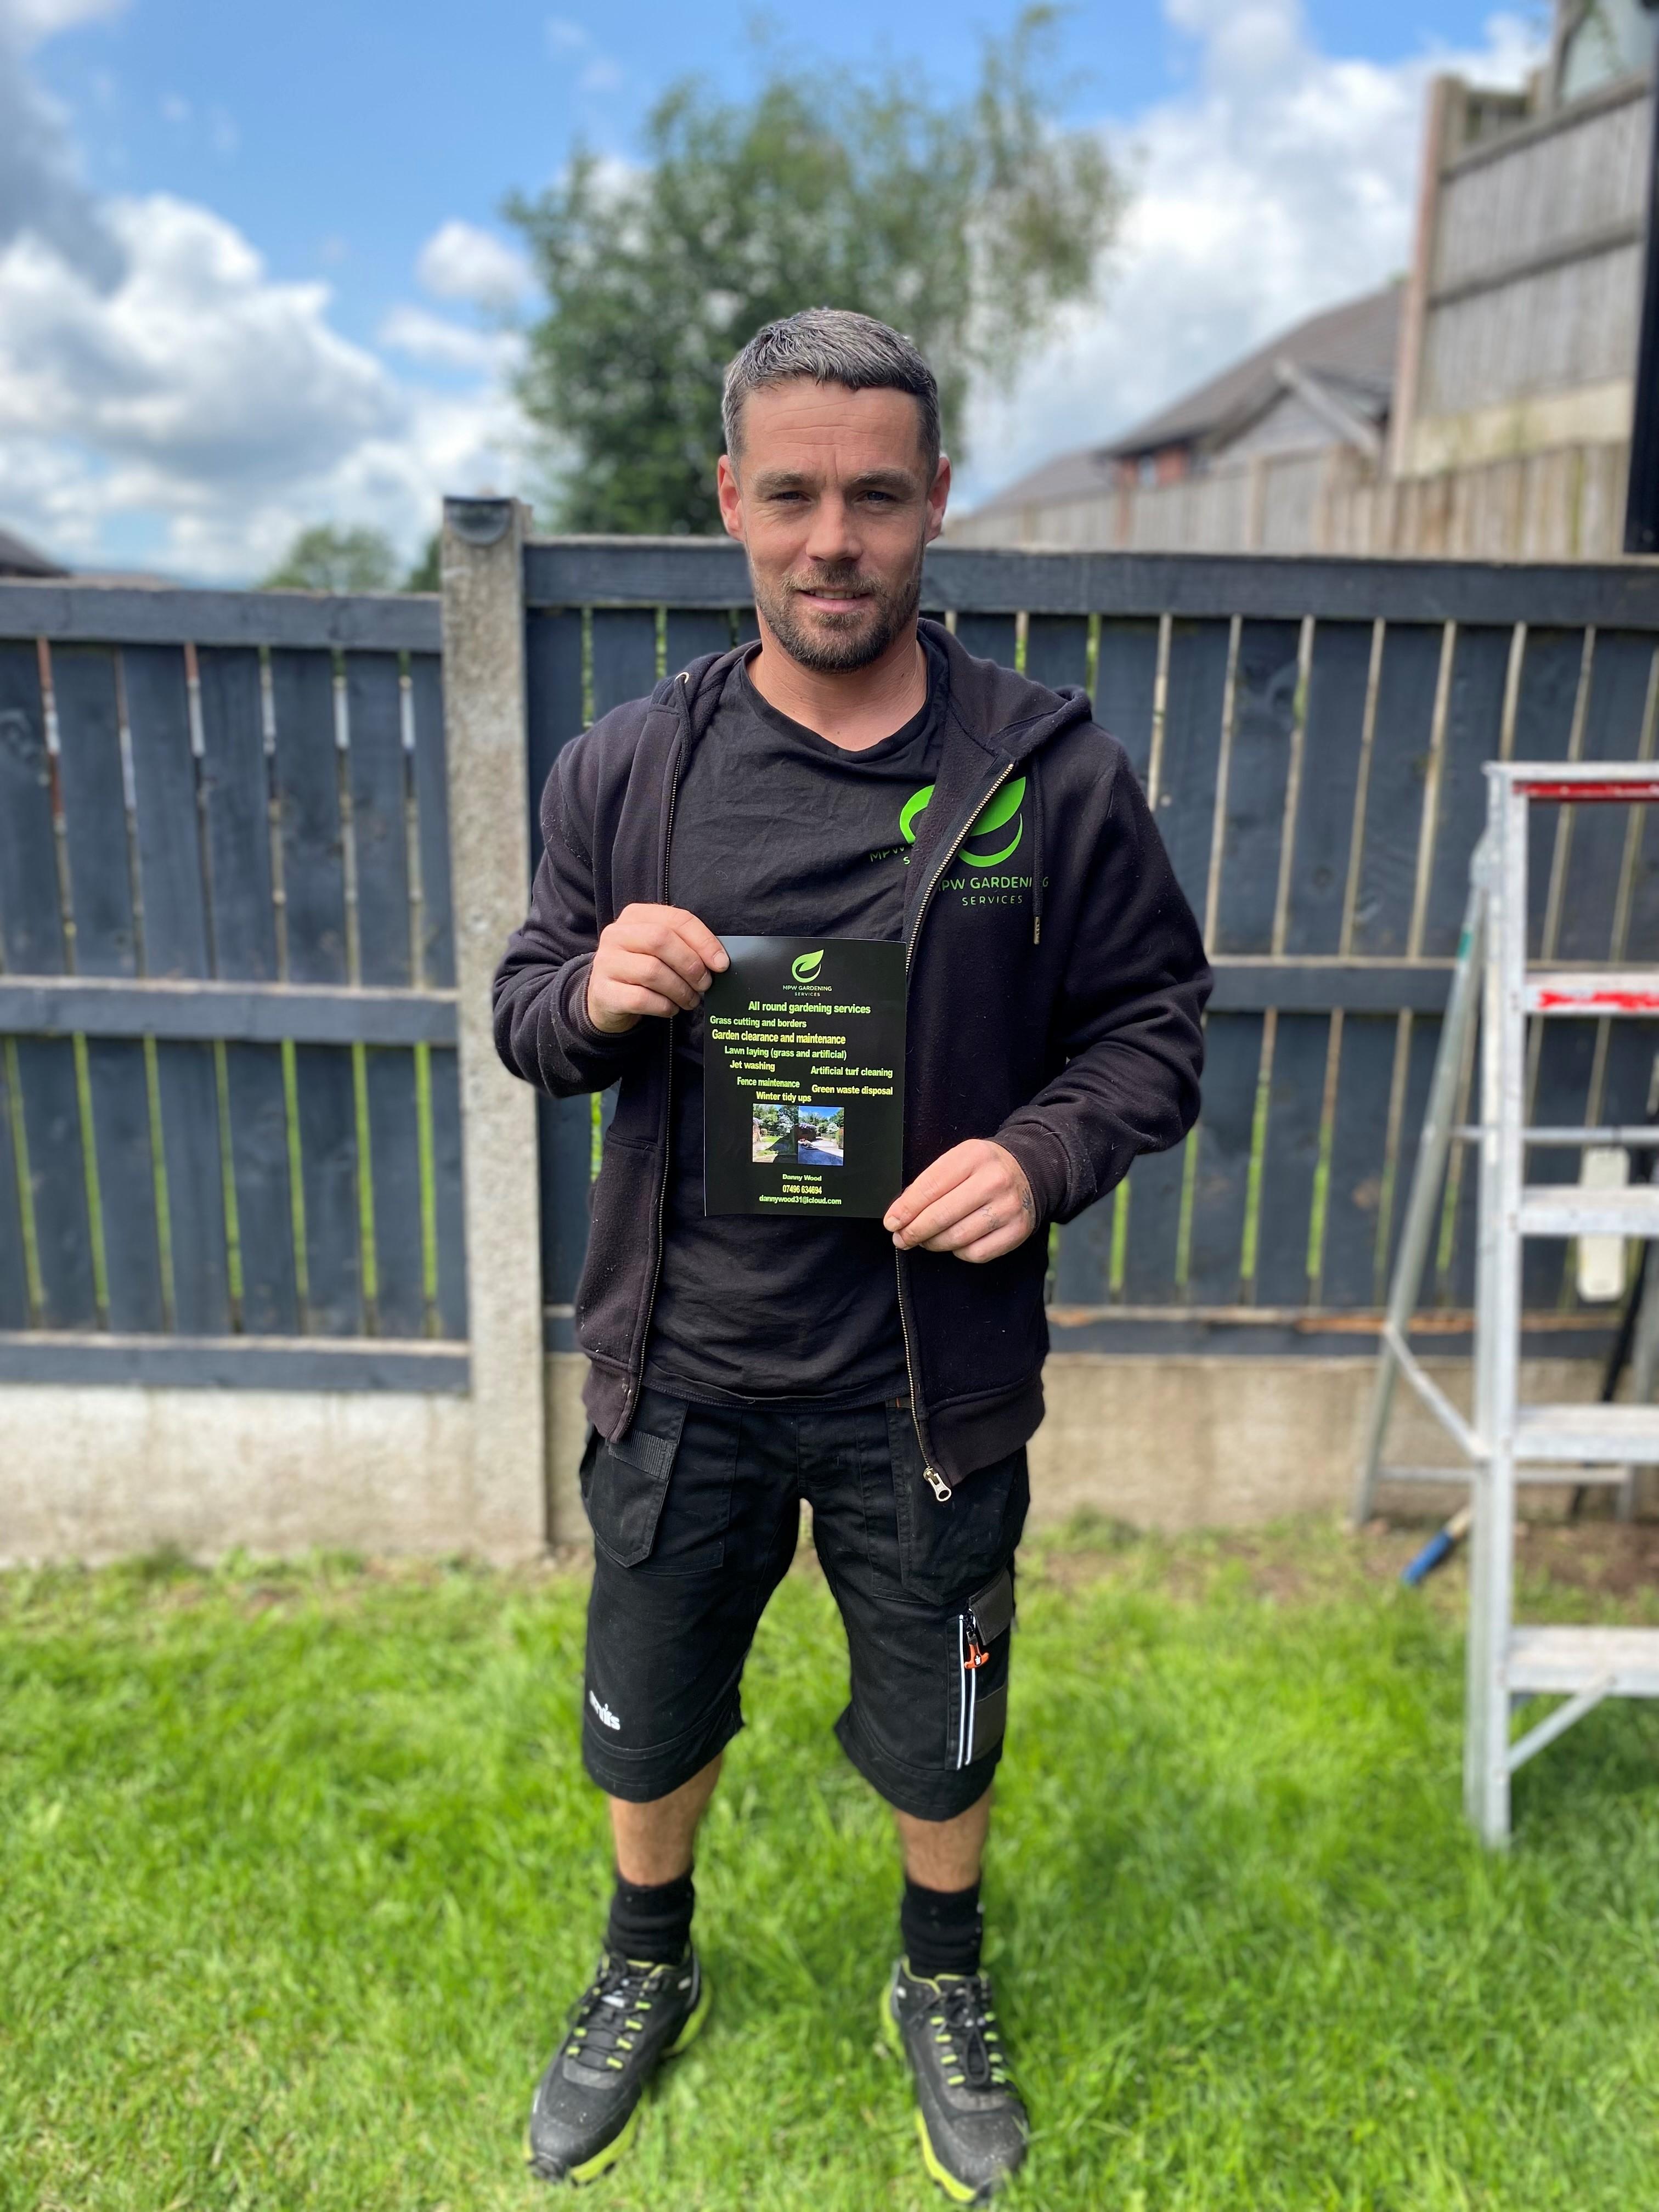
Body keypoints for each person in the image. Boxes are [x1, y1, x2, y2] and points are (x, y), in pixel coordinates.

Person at [493, 307, 1210, 2200]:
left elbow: (1155, 1022)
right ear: (730, 501)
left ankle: (940, 1979)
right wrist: (593, 990)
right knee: (652, 1698)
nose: (835, 540)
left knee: (940, 1714)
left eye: (875, 497)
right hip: (687, 1364)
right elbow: (522, 1014)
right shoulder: (626, 767)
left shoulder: (1048, 771)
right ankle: (646, 1966)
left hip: (929, 1376)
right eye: (793, 495)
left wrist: (1040, 1157)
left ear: (935, 503)